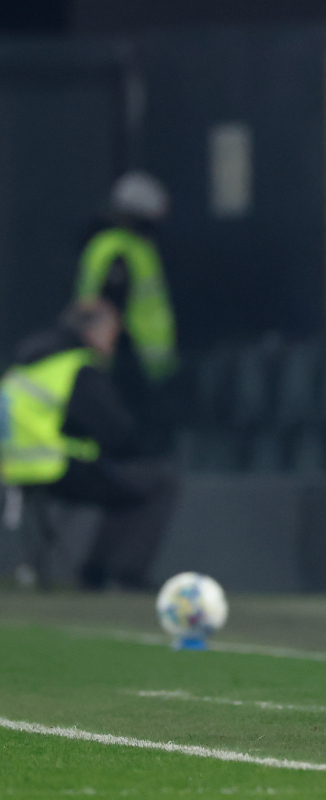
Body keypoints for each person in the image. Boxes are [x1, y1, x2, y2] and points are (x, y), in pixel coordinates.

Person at [0, 300, 179, 590]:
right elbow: (116, 431)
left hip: (16, 472)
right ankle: (117, 574)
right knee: (158, 482)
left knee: (126, 483)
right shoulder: (75, 368)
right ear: (92, 332)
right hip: (60, 468)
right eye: (111, 334)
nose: (113, 344)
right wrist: (147, 448)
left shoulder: (24, 365)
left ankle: (98, 572)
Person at [77, 171, 179, 454]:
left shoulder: (132, 247)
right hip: (126, 360)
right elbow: (109, 307)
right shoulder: (118, 250)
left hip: (139, 363)